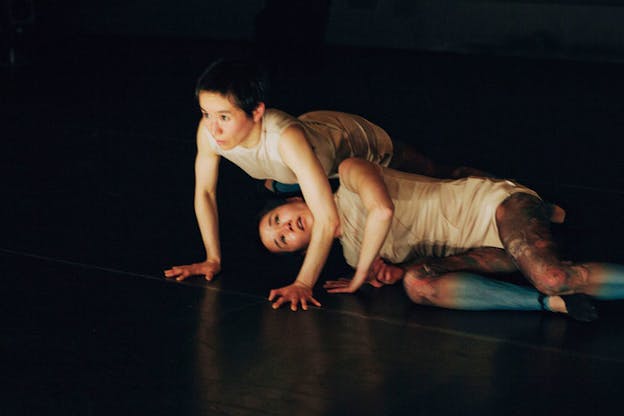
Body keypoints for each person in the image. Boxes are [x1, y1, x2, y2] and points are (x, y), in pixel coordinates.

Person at [164, 58, 489, 311]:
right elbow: (205, 193)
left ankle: (493, 187)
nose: (213, 128)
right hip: (308, 168)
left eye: (224, 116)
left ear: (257, 111)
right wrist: (212, 258)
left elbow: (328, 218)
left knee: (436, 174)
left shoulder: (286, 139)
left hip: (356, 142)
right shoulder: (208, 132)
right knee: (275, 186)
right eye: (206, 114)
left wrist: (304, 282)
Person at [259, 158, 624, 320]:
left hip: (495, 208)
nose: (285, 230)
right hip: (483, 248)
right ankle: (548, 305)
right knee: (418, 284)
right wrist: (394, 273)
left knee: (552, 277)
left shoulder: (350, 172)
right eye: (281, 240)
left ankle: (554, 280)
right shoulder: (356, 255)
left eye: (278, 220)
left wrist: (360, 277)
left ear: (294, 200)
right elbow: (410, 259)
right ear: (302, 249)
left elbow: (382, 211)